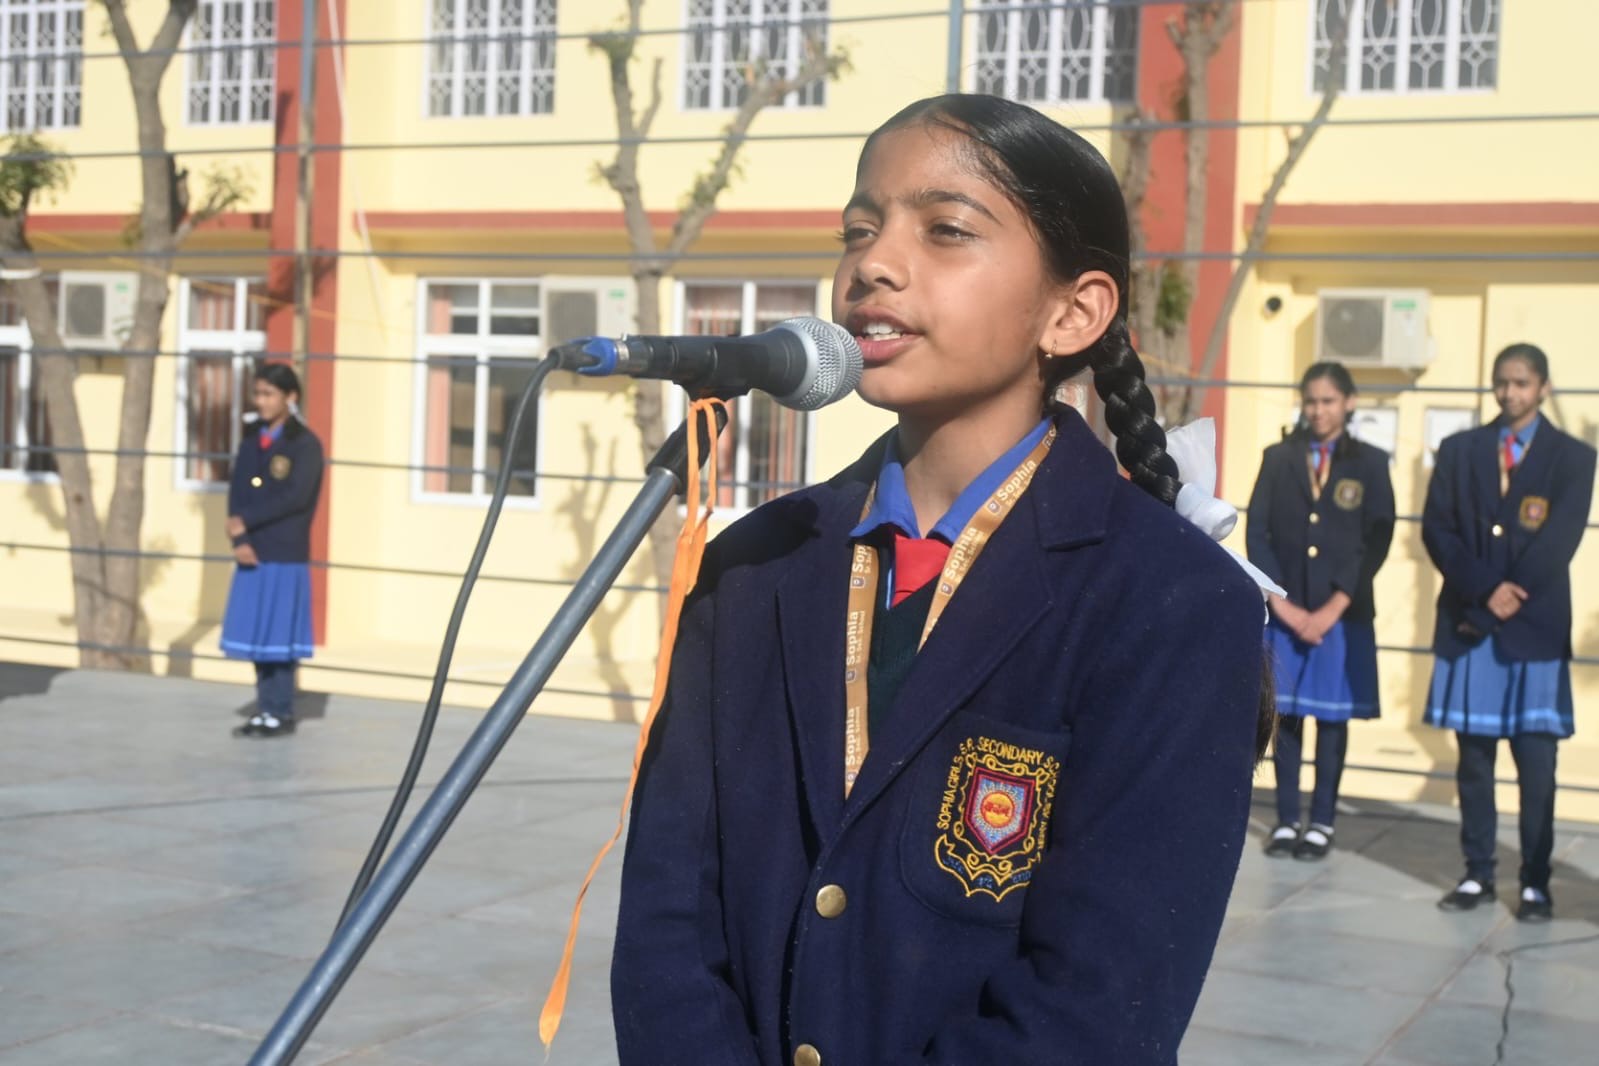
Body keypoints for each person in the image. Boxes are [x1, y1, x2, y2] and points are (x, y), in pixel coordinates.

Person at [610, 94, 1271, 1066]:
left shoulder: (1174, 601)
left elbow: (1095, 1007)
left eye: (946, 230)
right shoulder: (752, 568)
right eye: (859, 229)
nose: (873, 263)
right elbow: (667, 921)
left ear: (1074, 311)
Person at [1424, 344, 1594, 921]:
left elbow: (1560, 539)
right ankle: (1477, 872)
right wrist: (1484, 590)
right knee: (1474, 762)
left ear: (1543, 387)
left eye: (1521, 383)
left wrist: (1506, 595)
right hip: (1470, 626)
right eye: (1501, 382)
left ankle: (1536, 883)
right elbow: (1438, 530)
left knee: (1537, 766)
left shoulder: (1574, 457)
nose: (1509, 393)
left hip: (1534, 632)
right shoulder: (1460, 450)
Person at [1247, 363, 1395, 860]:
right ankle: (1288, 819)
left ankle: (1323, 822)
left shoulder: (1370, 463)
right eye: (1311, 400)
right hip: (1286, 610)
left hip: (1341, 615)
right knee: (1286, 717)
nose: (1318, 410)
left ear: (1349, 403)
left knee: (1332, 722)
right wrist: (1281, 603)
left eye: (1328, 401)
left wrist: (1335, 605)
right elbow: (1258, 531)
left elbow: (1377, 538)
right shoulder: (1278, 458)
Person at [221, 363, 324, 738]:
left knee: (279, 638)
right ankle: (265, 708)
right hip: (253, 550)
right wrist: (240, 539)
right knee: (258, 635)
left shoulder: (305, 444)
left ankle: (280, 710)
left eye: (269, 394)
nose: (261, 401)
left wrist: (246, 520)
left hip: (283, 551)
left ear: (290, 397)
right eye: (257, 393)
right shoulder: (251, 439)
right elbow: (237, 492)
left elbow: (296, 497)